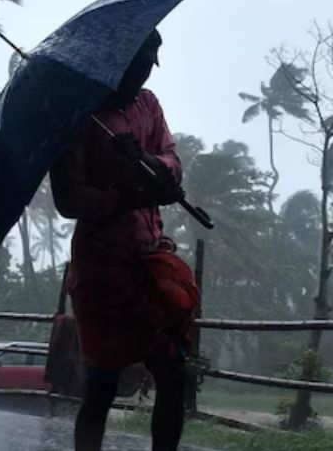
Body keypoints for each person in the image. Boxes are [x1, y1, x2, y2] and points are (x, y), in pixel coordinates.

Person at [50, 29, 196, 451]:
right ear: (118, 59)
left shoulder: (148, 106)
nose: (145, 69)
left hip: (150, 262)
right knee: (101, 388)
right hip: (102, 273)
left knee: (174, 373)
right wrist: (125, 195)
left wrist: (146, 161)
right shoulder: (78, 117)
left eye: (152, 61)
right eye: (139, 60)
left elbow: (171, 162)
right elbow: (68, 199)